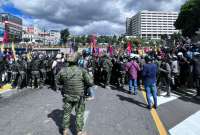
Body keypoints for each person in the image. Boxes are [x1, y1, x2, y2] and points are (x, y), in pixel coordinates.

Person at [56, 53, 93, 135]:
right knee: (79, 113)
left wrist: (64, 85)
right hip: (79, 96)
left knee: (66, 113)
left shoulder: (63, 70)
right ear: (77, 61)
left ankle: (65, 130)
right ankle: (79, 131)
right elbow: (90, 82)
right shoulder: (82, 70)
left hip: (67, 95)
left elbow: (57, 81)